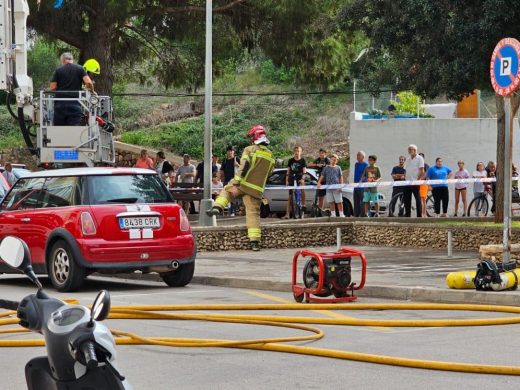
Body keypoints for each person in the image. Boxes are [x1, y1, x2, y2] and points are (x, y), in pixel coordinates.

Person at [208, 125, 275, 251]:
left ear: (255, 137)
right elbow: (269, 173)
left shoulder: (250, 150)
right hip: (257, 190)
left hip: (243, 184)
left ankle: (217, 207)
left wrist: (237, 182)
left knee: (227, 189)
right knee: (253, 214)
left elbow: (243, 167)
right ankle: (254, 242)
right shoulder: (271, 156)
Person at [50, 52, 94, 126]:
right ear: (72, 60)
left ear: (63, 60)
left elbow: (53, 87)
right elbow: (89, 83)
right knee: (74, 130)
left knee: (59, 131)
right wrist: (92, 91)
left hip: (60, 105)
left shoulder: (58, 70)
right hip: (75, 104)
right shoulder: (80, 69)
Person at [283, 146, 307, 219]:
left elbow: (304, 171)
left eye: (299, 151)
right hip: (292, 177)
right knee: (290, 197)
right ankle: (287, 214)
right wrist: (286, 180)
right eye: (296, 151)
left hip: (299, 177)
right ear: (294, 152)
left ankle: (303, 204)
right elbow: (288, 171)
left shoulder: (303, 160)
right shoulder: (291, 160)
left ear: (301, 152)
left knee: (302, 187)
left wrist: (303, 178)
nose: (297, 152)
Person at [403, 144, 424, 217]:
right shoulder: (408, 159)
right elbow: (405, 170)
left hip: (415, 182)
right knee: (407, 199)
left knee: (417, 199)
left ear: (415, 150)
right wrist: (405, 177)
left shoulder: (420, 158)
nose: (409, 151)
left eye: (410, 149)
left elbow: (422, 170)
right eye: (408, 149)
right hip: (407, 182)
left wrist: (418, 180)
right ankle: (407, 215)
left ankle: (419, 216)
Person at [219, 145, 241, 216]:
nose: (230, 152)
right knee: (227, 196)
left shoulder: (236, 159)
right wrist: (221, 179)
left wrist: (237, 165)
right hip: (227, 181)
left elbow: (243, 169)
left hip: (235, 181)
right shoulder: (225, 161)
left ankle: (233, 211)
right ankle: (230, 211)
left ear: (234, 152)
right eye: (228, 151)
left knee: (233, 196)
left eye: (231, 151)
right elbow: (222, 171)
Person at [353, 151, 368, 217]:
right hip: (355, 186)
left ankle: (363, 215)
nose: (357, 156)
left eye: (359, 155)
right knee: (356, 201)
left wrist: (361, 181)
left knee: (363, 201)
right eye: (357, 155)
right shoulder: (356, 164)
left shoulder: (366, 165)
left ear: (363, 157)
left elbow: (366, 175)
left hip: (362, 186)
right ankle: (356, 215)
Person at [418, 152, 429, 218]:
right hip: (416, 183)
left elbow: (426, 174)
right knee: (419, 200)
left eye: (422, 157)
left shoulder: (426, 165)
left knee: (423, 200)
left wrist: (420, 179)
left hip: (423, 183)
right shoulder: (416, 165)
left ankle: (424, 214)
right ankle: (421, 213)